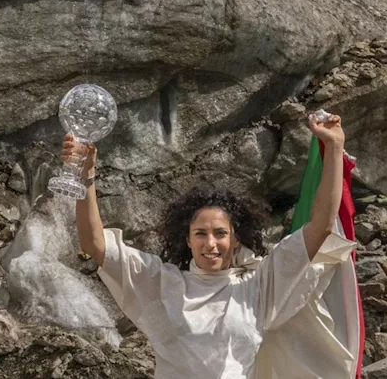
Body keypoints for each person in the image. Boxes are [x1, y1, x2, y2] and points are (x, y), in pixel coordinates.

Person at [61, 113, 356, 379]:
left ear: (235, 238)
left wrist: (333, 147)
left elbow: (321, 227)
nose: (211, 243)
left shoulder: (258, 286)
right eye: (200, 233)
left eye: (220, 233)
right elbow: (95, 244)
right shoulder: (161, 282)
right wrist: (85, 174)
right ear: (187, 239)